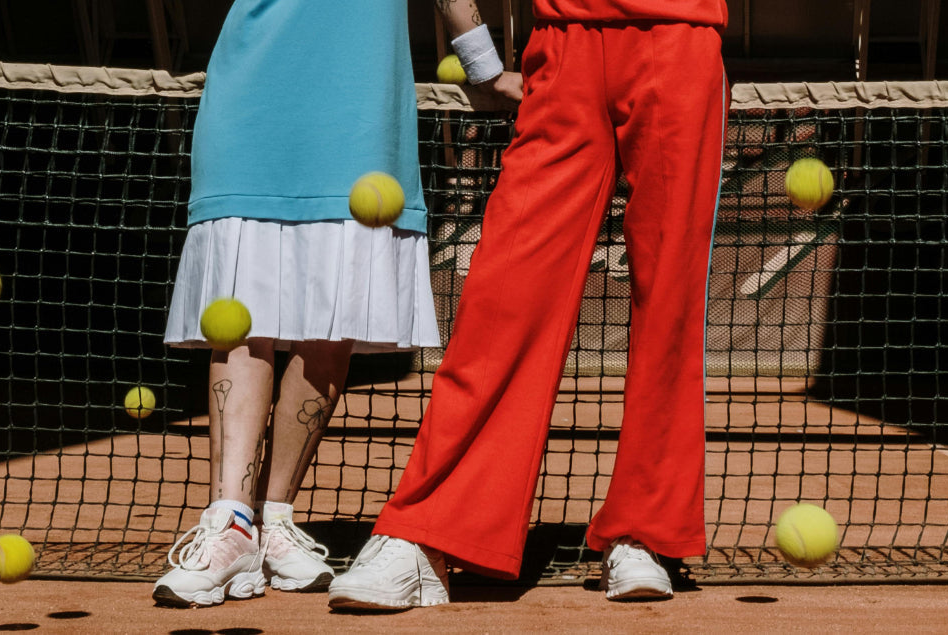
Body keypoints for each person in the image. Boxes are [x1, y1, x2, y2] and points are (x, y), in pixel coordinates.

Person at [327, 0, 729, 610]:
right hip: (564, 47)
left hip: (682, 41)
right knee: (503, 291)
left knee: (671, 299)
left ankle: (644, 533)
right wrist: (480, 59)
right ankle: (427, 532)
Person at [150, 0, 515, 608]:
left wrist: (484, 66)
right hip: (252, 89)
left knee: (333, 318)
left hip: (361, 105)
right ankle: (232, 521)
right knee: (239, 311)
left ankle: (273, 521)